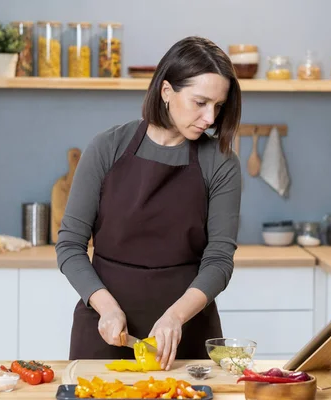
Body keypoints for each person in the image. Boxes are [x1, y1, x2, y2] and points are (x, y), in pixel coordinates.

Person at [55, 36, 242, 371]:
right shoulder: (107, 147)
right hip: (106, 330)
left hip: (186, 332)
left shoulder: (221, 162)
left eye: (218, 106)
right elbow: (70, 245)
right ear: (166, 91)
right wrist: (107, 307)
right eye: (200, 102)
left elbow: (218, 261)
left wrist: (175, 317)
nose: (210, 117)